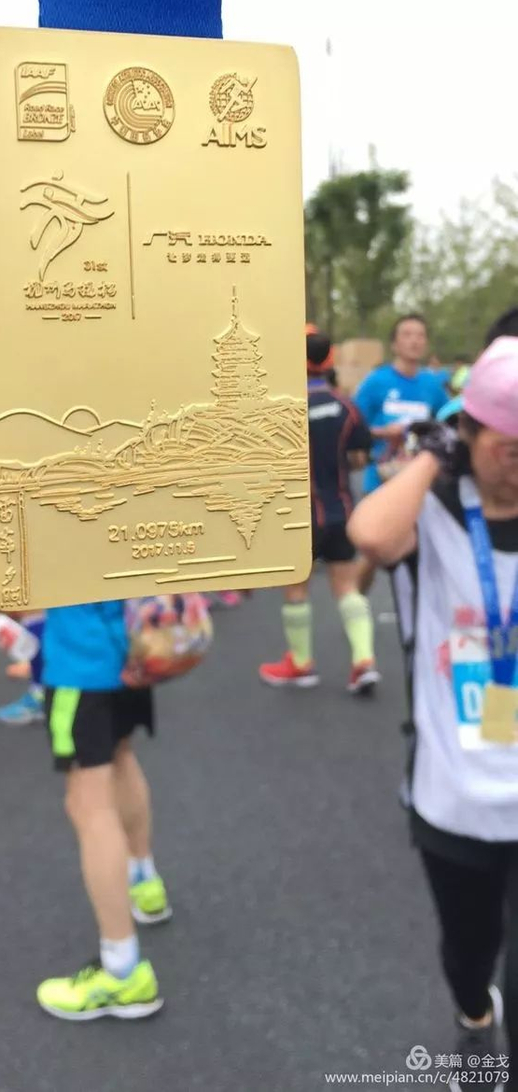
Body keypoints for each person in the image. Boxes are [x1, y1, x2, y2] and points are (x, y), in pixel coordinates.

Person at [348, 337, 518, 1083]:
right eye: (507, 446)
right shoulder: (435, 514)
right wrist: (428, 458)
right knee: (469, 950)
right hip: (456, 793)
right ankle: (473, 1016)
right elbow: (369, 535)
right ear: (469, 436)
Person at [0, 595, 169, 1021]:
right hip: (130, 651)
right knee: (122, 757)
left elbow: (19, 568)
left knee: (88, 805)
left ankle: (123, 971)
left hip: (80, 663)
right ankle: (144, 883)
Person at [259, 330, 379, 693]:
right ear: (329, 360)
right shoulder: (346, 406)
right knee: (347, 586)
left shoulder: (281, 408)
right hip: (341, 510)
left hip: (298, 514)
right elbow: (359, 456)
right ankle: (364, 661)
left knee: (297, 588)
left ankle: (301, 663)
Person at [355, 314, 449, 494]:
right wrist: (384, 432)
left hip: (420, 484)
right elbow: (355, 428)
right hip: (380, 483)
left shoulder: (432, 384)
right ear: (394, 345)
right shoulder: (375, 381)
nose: (414, 341)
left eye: (420, 335)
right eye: (407, 335)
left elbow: (448, 424)